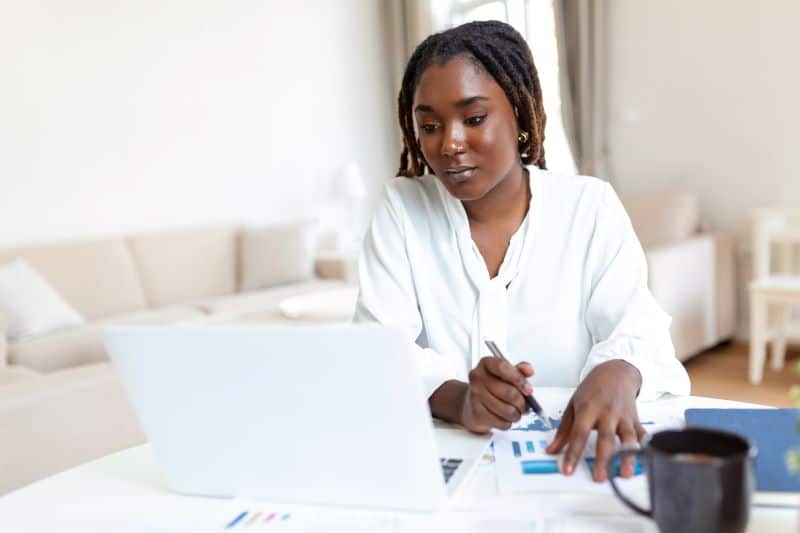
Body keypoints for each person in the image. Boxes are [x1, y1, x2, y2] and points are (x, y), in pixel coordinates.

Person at [353, 20, 690, 483]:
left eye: (473, 119)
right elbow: (378, 348)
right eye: (429, 125)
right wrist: (460, 401)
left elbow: (639, 328)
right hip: (443, 470)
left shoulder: (589, 207)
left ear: (521, 115)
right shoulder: (402, 210)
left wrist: (619, 369)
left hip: (565, 467)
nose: (449, 143)